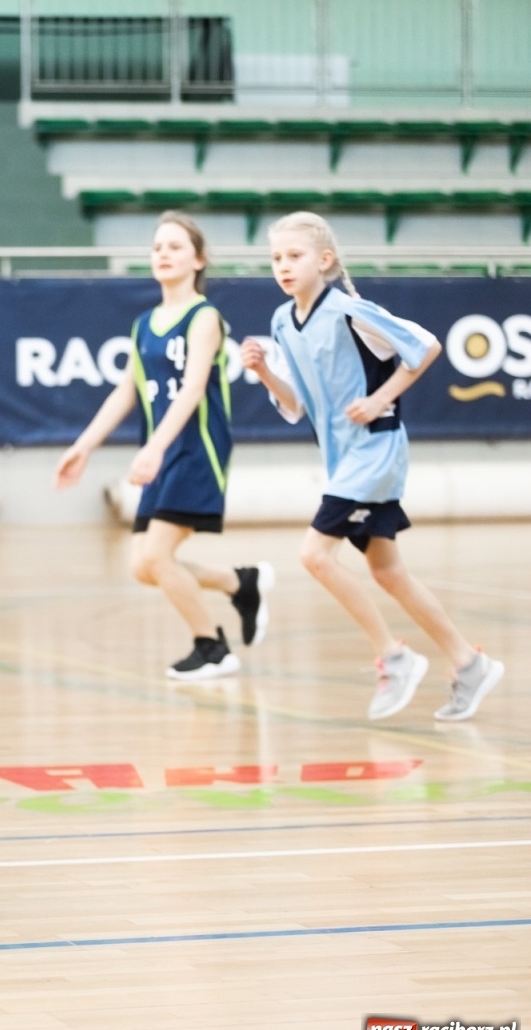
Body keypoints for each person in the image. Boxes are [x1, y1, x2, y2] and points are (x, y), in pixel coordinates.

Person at [241, 212, 505, 722]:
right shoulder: (280, 321)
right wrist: (265, 373)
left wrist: (378, 397)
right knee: (388, 572)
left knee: (315, 557)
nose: (283, 266)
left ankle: (395, 656)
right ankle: (468, 664)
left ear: (326, 261)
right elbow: (295, 406)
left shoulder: (348, 310)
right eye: (276, 258)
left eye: (294, 256)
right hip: (343, 460)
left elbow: (425, 346)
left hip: (376, 451)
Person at [55, 212, 272, 680]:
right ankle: (240, 583)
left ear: (199, 259)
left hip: (197, 447)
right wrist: (84, 446)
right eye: (157, 247)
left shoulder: (205, 316)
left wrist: (153, 448)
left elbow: (193, 389)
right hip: (163, 448)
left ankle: (212, 647)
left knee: (156, 557)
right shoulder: (144, 324)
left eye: (175, 246)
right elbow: (126, 390)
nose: (163, 255)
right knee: (144, 566)